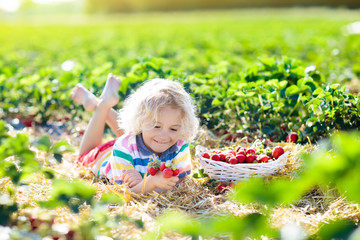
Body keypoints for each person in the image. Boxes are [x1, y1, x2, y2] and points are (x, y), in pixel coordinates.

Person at [71, 73, 199, 194]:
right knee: (82, 158)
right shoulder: (123, 147)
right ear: (140, 120)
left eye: (173, 129)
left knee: (142, 136)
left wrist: (149, 183)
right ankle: (102, 106)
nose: (164, 136)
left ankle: (95, 103)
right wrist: (151, 183)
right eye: (156, 126)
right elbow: (123, 193)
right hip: (105, 157)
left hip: (135, 147)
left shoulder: (180, 144)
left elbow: (181, 180)